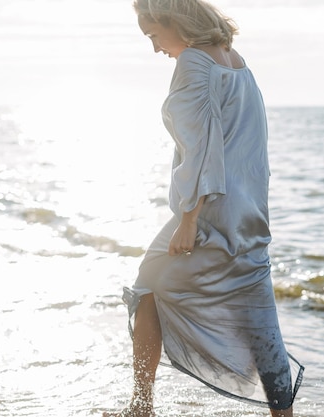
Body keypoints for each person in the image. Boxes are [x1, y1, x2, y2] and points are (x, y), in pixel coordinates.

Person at [104, 1, 303, 416]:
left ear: (175, 22)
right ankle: (283, 415)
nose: (156, 48)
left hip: (209, 211)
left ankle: (141, 407)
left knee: (148, 286)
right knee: (258, 313)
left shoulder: (195, 62)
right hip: (248, 211)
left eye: (154, 35)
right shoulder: (237, 62)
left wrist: (189, 218)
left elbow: (201, 148)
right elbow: (253, 148)